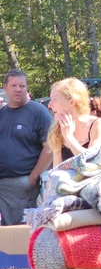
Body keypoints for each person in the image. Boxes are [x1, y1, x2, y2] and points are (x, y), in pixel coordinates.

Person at [0, 69, 53, 225]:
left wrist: (33, 177)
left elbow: (50, 147)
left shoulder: (38, 112)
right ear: (5, 88)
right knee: (6, 233)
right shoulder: (3, 113)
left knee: (20, 229)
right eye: (14, 85)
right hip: (3, 182)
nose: (18, 89)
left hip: (21, 184)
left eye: (22, 86)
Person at [48, 78, 101, 167]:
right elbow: (57, 170)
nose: (49, 105)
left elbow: (93, 163)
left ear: (72, 102)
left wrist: (69, 137)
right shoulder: (57, 129)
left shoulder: (99, 124)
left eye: (54, 99)